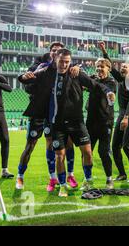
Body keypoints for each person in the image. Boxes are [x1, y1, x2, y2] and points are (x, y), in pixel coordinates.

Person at [20, 48, 113, 197]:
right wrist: (23, 77)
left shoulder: (76, 73)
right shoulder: (48, 73)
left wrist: (108, 91)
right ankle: (62, 185)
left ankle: (88, 180)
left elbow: (95, 84)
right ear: (56, 60)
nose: (64, 65)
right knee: (59, 156)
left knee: (88, 152)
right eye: (62, 61)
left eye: (67, 62)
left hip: (77, 123)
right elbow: (27, 79)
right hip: (58, 124)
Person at [16, 42, 79, 191]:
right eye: (54, 51)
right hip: (39, 112)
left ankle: (60, 177)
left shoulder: (66, 67)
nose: (56, 53)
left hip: (56, 113)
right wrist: (30, 80)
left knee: (58, 144)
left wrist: (77, 67)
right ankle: (20, 176)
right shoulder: (39, 66)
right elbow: (26, 84)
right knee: (30, 145)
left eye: (59, 51)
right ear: (51, 53)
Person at [99, 42, 129, 183]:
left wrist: (126, 118)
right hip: (122, 116)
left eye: (125, 66)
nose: (122, 67)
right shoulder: (120, 79)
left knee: (127, 147)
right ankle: (122, 174)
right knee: (115, 147)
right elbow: (111, 67)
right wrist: (104, 51)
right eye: (122, 66)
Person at [85, 57, 117, 189]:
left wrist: (91, 81)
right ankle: (88, 179)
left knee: (103, 152)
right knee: (87, 152)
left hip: (105, 122)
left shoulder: (111, 82)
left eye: (102, 66)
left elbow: (102, 88)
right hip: (91, 122)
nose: (99, 69)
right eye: (97, 66)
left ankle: (109, 179)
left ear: (108, 69)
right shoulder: (93, 79)